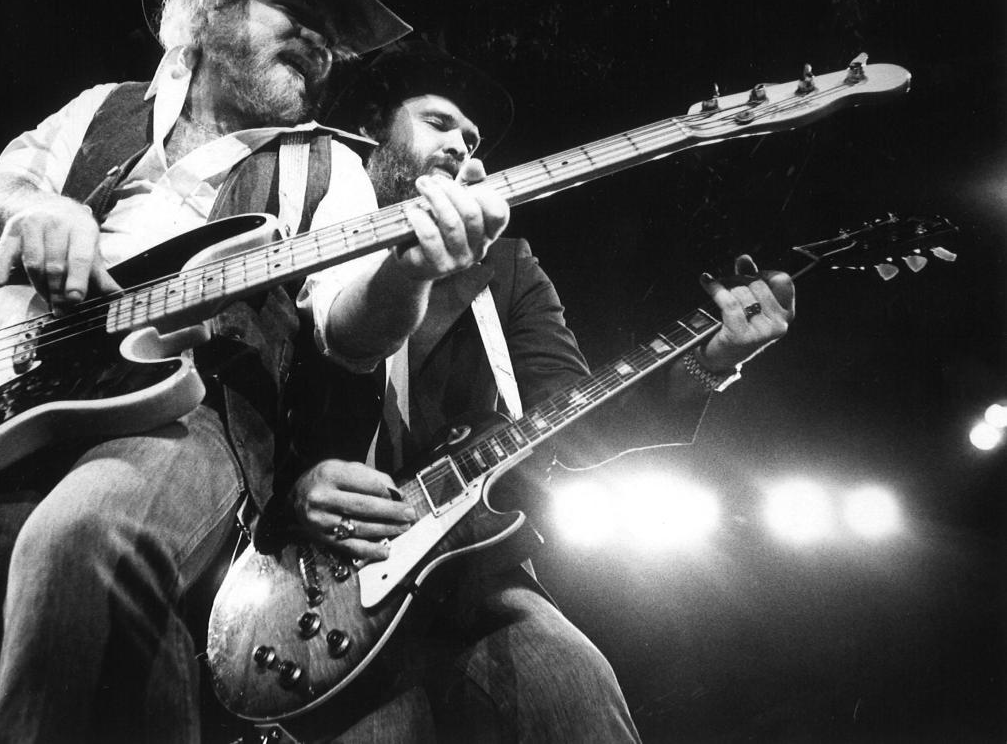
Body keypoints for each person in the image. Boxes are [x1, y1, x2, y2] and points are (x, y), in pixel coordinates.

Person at [0, 0, 509, 743]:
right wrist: (38, 209)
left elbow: (349, 331)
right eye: (295, 12)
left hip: (196, 417)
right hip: (21, 402)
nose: (321, 44)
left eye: (334, 36)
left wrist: (412, 266)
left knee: (87, 537)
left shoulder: (327, 163)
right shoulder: (101, 111)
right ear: (208, 6)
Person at [280, 40, 796, 742]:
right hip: (303, 586)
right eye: (439, 122)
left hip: (470, 580)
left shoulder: (509, 269)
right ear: (377, 131)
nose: (460, 144)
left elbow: (576, 416)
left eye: (472, 138)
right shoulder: (305, 220)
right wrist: (293, 489)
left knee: (576, 688)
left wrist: (708, 359)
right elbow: (241, 390)